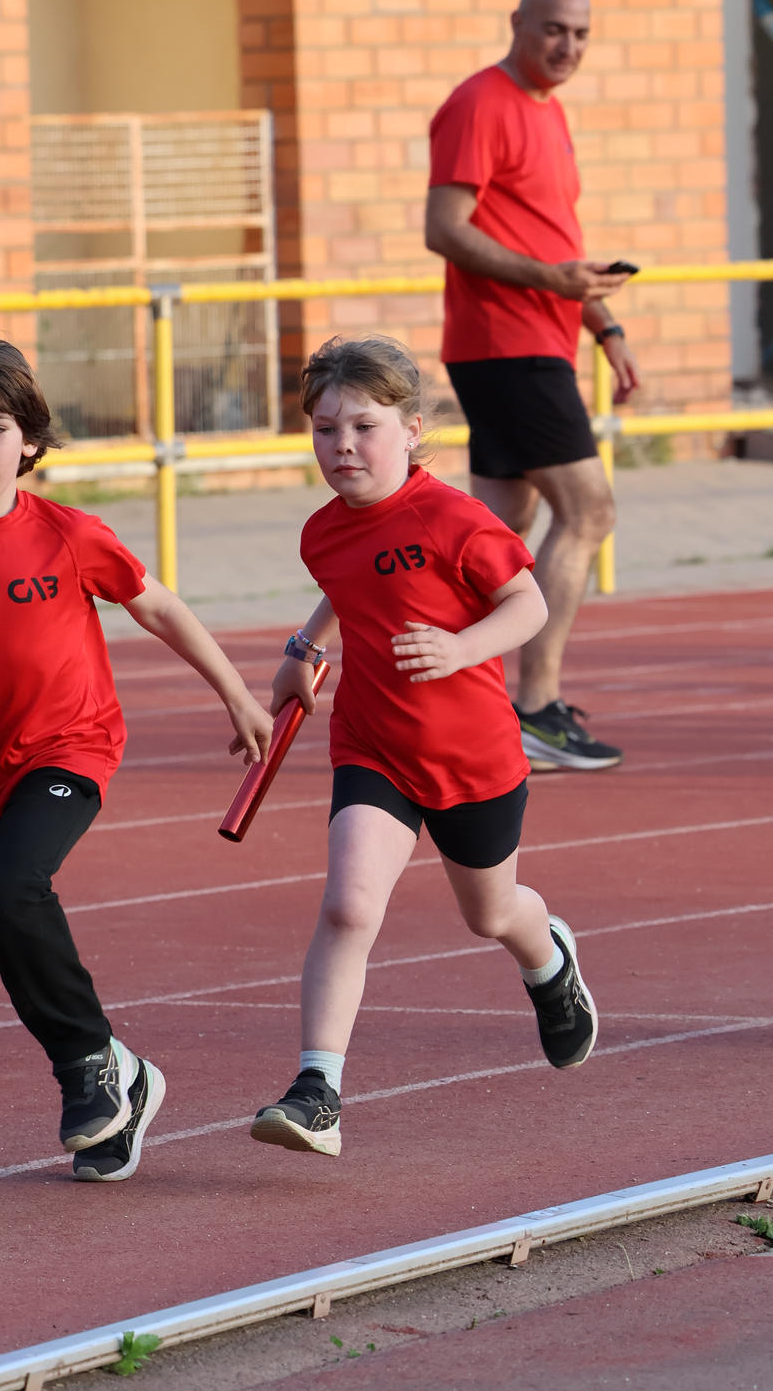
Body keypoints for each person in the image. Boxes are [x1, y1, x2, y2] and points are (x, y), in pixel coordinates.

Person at [0, 336, 273, 1178]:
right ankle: (120, 1080)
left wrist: (235, 693)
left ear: (29, 442)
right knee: (5, 931)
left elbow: (157, 607)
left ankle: (89, 1066)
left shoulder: (67, 534)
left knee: (14, 889)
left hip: (70, 746)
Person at [250, 335, 598, 1159]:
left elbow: (527, 605)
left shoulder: (454, 520)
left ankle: (547, 960)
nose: (342, 446)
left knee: (491, 914)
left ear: (410, 430)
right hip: (374, 746)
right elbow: (347, 584)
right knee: (347, 906)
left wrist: (458, 648)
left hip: (473, 756)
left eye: (363, 427)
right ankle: (317, 1090)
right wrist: (302, 653)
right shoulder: (320, 533)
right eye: (325, 429)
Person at [425, 0, 640, 772]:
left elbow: (555, 244)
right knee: (587, 509)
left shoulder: (549, 115)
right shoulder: (479, 103)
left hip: (541, 338)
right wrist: (552, 285)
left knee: (495, 530)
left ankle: (429, 682)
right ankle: (537, 708)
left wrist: (603, 322)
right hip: (503, 340)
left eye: (581, 34)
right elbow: (442, 228)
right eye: (554, 29)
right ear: (517, 22)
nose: (568, 46)